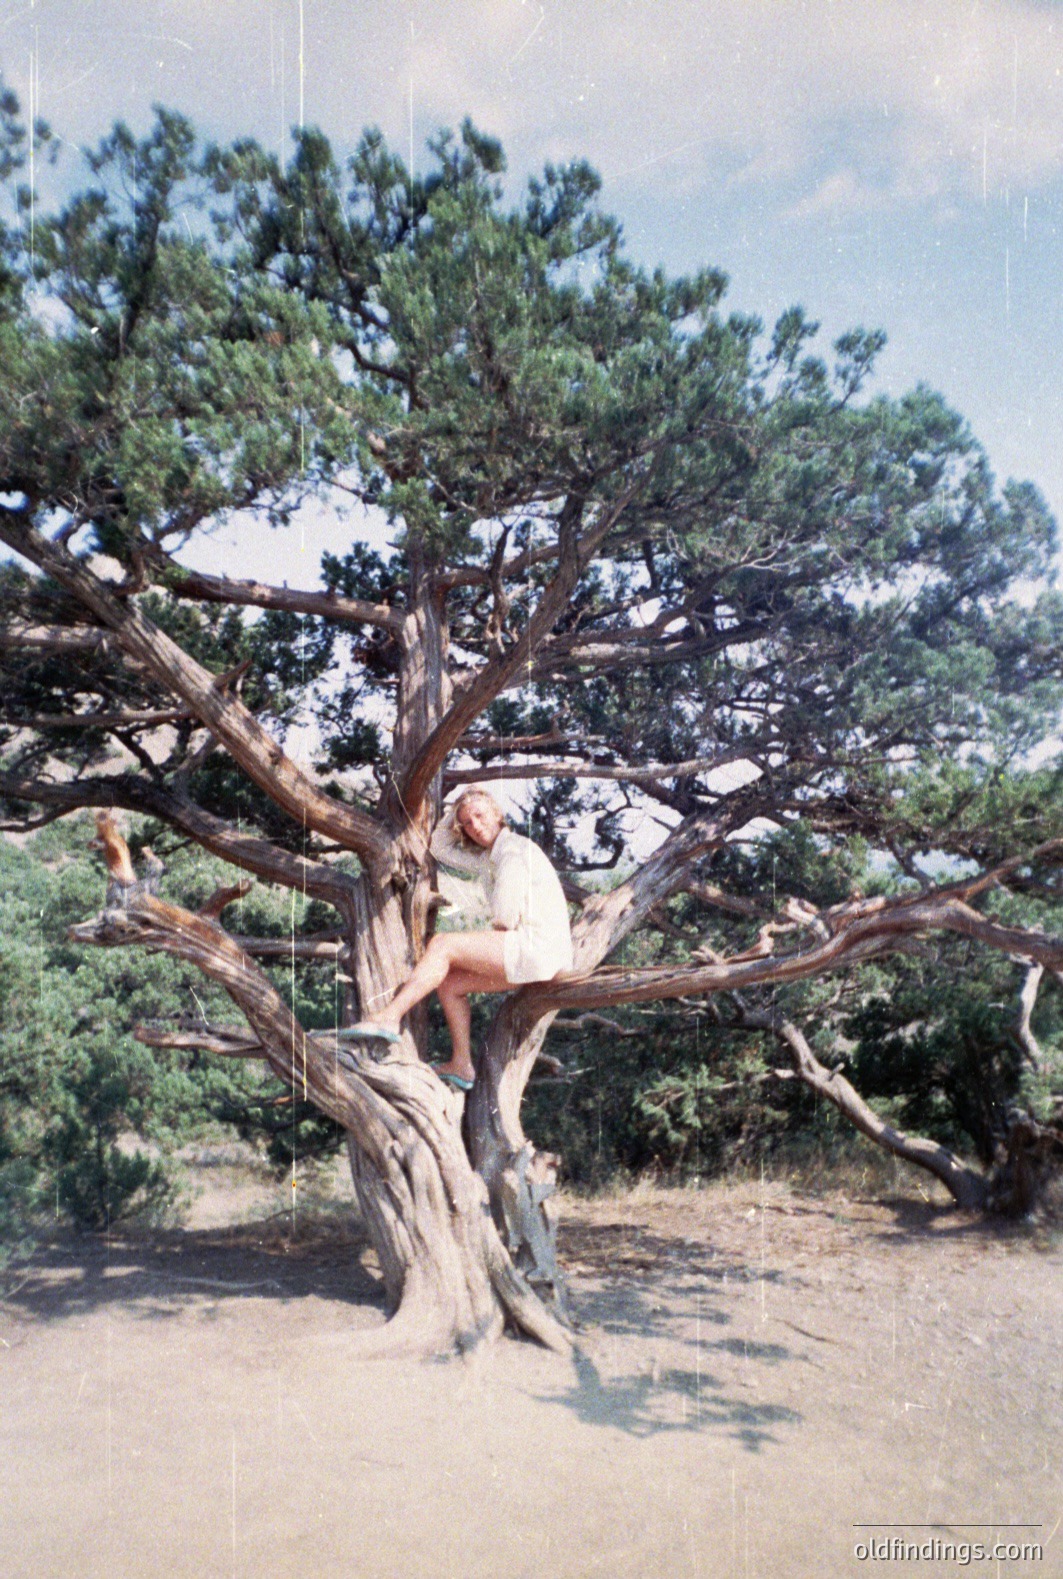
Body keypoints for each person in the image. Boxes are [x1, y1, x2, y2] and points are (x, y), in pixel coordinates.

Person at [343, 789, 574, 1090]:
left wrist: (482, 951)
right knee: (450, 984)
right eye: (466, 823)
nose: (474, 826)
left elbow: (504, 918)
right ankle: (462, 1064)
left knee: (442, 944)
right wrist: (455, 809)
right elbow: (439, 847)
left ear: (497, 814)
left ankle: (390, 1016)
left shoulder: (514, 850)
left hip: (535, 950)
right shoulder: (489, 858)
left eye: (480, 816)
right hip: (537, 961)